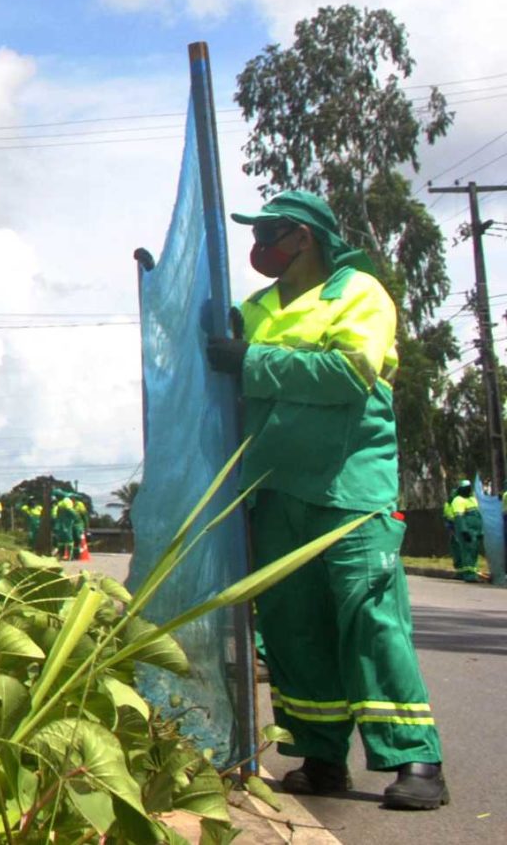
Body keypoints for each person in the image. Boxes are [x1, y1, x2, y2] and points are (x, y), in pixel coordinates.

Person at [205, 190, 446, 811]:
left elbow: (347, 375)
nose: (260, 247)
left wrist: (252, 362)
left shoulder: (357, 292)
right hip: (273, 490)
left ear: (304, 236)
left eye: (270, 233)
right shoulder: (252, 309)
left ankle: (414, 758)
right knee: (294, 627)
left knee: (368, 619)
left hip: (348, 489)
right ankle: (321, 756)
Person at [445, 480, 483, 584]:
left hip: (476, 530)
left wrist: (481, 530)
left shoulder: (473, 499)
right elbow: (459, 518)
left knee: (474, 551)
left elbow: (479, 516)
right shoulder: (458, 500)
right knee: (467, 552)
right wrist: (463, 530)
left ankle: (472, 573)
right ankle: (469, 575)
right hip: (467, 530)